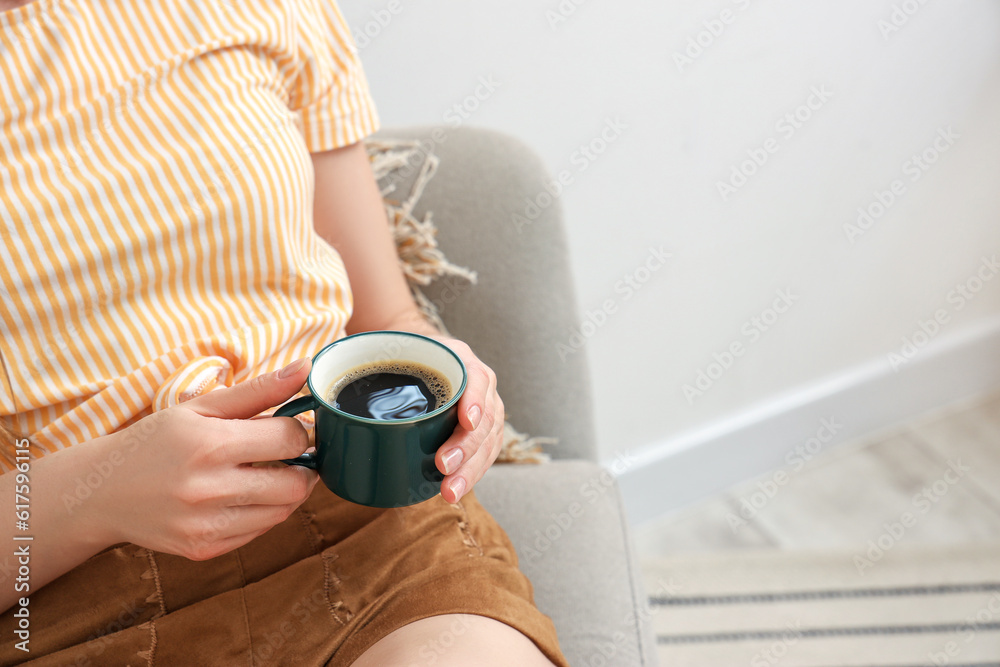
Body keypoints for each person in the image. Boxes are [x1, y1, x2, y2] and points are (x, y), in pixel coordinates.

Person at [0, 1, 568, 664]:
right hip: (73, 599)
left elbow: (387, 320)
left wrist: (458, 382)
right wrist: (97, 490)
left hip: (363, 523)